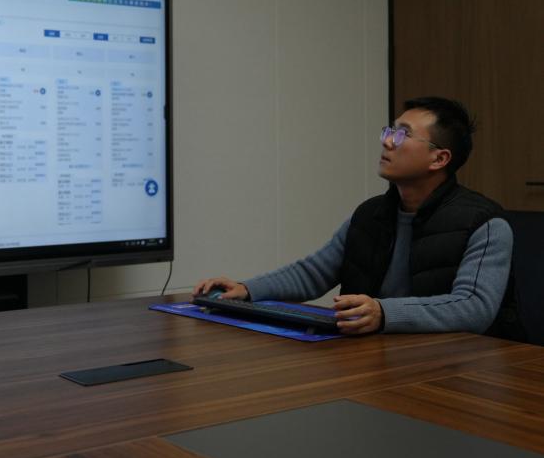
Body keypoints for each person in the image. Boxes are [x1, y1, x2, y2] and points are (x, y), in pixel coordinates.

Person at [193, 97, 512, 335]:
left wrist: (384, 313)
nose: (387, 141)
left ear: (439, 159)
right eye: (389, 130)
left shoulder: (484, 223)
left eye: (402, 134)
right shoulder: (371, 214)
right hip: (379, 356)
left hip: (456, 366)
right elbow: (314, 273)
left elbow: (474, 307)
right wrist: (246, 289)